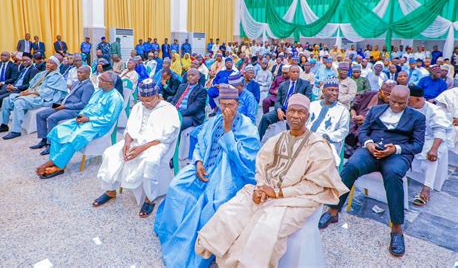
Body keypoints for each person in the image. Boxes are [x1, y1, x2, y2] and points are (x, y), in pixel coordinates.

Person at [195, 93, 348, 267]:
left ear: (308, 115)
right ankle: (221, 259)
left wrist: (277, 192)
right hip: (267, 191)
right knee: (229, 213)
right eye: (292, 111)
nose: (295, 116)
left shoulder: (318, 146)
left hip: (298, 198)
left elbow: (314, 185)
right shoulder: (276, 139)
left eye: (301, 112)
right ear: (286, 112)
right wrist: (261, 187)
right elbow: (261, 168)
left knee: (263, 229)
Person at [154, 84, 261, 268]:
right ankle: (172, 232)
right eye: (223, 104)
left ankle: (201, 249)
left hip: (228, 172)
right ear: (218, 104)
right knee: (176, 187)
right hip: (204, 166)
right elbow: (201, 145)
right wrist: (198, 163)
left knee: (213, 203)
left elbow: (247, 162)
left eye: (231, 104)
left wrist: (228, 131)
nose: (227, 108)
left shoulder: (247, 127)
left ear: (238, 104)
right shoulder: (214, 121)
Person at [319, 85, 426, 257]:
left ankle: (397, 230)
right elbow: (363, 131)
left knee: (393, 175)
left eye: (401, 103)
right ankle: (333, 211)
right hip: (371, 150)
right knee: (351, 166)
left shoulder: (417, 117)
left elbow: (418, 145)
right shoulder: (376, 110)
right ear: (388, 97)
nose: (397, 106)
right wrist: (368, 144)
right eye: (393, 102)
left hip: (397, 154)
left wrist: (395, 149)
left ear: (408, 101)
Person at [93, 78, 180, 216]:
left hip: (157, 144)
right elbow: (130, 128)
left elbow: (167, 137)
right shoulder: (139, 106)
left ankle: (150, 199)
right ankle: (110, 190)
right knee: (110, 153)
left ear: (158, 95)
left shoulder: (169, 109)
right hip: (136, 141)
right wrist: (127, 142)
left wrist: (141, 149)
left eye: (150, 100)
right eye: (143, 100)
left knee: (150, 162)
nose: (146, 103)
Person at [35, 71, 123, 179]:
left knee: (75, 138)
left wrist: (88, 119)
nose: (99, 81)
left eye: (102, 80)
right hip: (84, 119)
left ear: (110, 84)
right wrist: (81, 115)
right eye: (99, 78)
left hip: (98, 125)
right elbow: (88, 106)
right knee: (57, 130)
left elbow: (108, 119)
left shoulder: (115, 98)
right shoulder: (98, 91)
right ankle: (56, 161)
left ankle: (56, 165)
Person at [0, 55, 68, 140]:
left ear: (57, 65)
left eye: (51, 63)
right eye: (48, 62)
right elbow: (32, 86)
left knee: (19, 102)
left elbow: (48, 93)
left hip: (42, 98)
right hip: (31, 94)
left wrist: (29, 93)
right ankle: (4, 125)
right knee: (6, 100)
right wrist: (26, 91)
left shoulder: (58, 77)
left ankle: (16, 131)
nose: (48, 64)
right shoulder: (41, 74)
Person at [30, 66, 95, 155]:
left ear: (88, 74)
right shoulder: (76, 83)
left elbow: (83, 104)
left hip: (74, 109)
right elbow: (69, 96)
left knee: (51, 118)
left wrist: (64, 106)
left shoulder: (89, 86)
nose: (78, 74)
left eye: (81, 72)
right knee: (40, 114)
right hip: (64, 104)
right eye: (78, 72)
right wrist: (60, 104)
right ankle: (44, 139)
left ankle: (51, 145)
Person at [407, 85, 451, 206]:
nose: (406, 102)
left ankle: (426, 189)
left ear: (418, 99)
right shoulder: (409, 107)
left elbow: (440, 132)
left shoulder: (435, 111)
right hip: (414, 138)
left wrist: (434, 149)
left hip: (433, 140)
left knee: (431, 156)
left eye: (409, 99)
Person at [258, 65, 312, 140]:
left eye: (297, 72)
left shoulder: (305, 84)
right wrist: (279, 110)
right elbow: (278, 100)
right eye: (293, 72)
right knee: (265, 117)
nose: (296, 73)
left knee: (290, 125)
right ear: (289, 73)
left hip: (295, 111)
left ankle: (291, 144)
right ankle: (257, 139)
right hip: (283, 109)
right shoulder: (283, 85)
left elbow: (308, 99)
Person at [0, 54, 38, 125]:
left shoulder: (33, 70)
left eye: (26, 60)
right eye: (23, 60)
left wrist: (15, 87)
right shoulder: (23, 69)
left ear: (31, 60)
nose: (24, 62)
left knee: (0, 98)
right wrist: (11, 85)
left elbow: (29, 85)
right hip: (13, 88)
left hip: (20, 90)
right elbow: (17, 80)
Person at [307, 77, 350, 162]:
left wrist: (327, 137)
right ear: (323, 91)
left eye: (336, 90)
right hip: (307, 139)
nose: (334, 93)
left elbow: (344, 130)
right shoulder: (312, 105)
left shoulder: (342, 110)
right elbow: (304, 123)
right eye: (331, 90)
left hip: (328, 143)